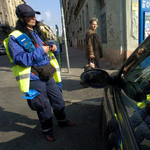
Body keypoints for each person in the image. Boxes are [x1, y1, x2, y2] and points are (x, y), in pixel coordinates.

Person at [3, 4, 74, 142]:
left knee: (59, 100)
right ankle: (47, 130)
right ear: (22, 18)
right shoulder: (15, 37)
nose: (33, 18)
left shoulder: (37, 32)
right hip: (34, 76)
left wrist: (54, 48)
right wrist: (41, 50)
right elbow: (20, 59)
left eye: (34, 15)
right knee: (43, 105)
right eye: (29, 16)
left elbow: (48, 51)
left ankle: (62, 119)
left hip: (48, 73)